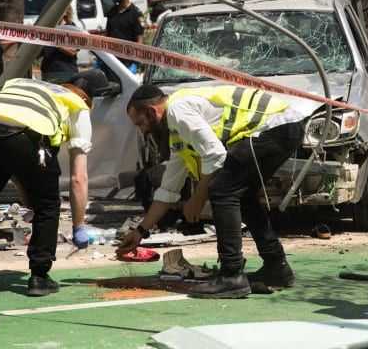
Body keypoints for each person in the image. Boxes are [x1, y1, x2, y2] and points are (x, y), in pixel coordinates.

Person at [118, 84, 305, 299]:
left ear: (153, 111)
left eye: (141, 124)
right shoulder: (178, 135)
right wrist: (140, 232)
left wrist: (198, 197)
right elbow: (169, 189)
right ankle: (276, 267)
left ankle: (231, 276)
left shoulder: (178, 111)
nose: (143, 131)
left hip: (276, 125)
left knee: (222, 191)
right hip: (284, 126)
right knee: (241, 193)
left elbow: (216, 156)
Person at [0, 72, 108, 296]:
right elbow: (78, 178)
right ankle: (39, 276)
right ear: (87, 98)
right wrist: (78, 226)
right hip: (26, 138)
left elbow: (7, 153)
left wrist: (27, 191)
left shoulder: (26, 85)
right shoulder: (77, 105)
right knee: (48, 205)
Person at [105, 0, 144, 70]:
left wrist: (135, 63)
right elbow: (107, 36)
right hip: (112, 61)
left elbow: (140, 40)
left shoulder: (135, 14)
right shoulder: (112, 11)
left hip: (127, 62)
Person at [41, 6, 80, 83]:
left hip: (66, 73)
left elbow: (72, 51)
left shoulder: (71, 28)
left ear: (65, 13)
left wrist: (53, 42)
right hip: (48, 73)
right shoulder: (47, 28)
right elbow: (40, 53)